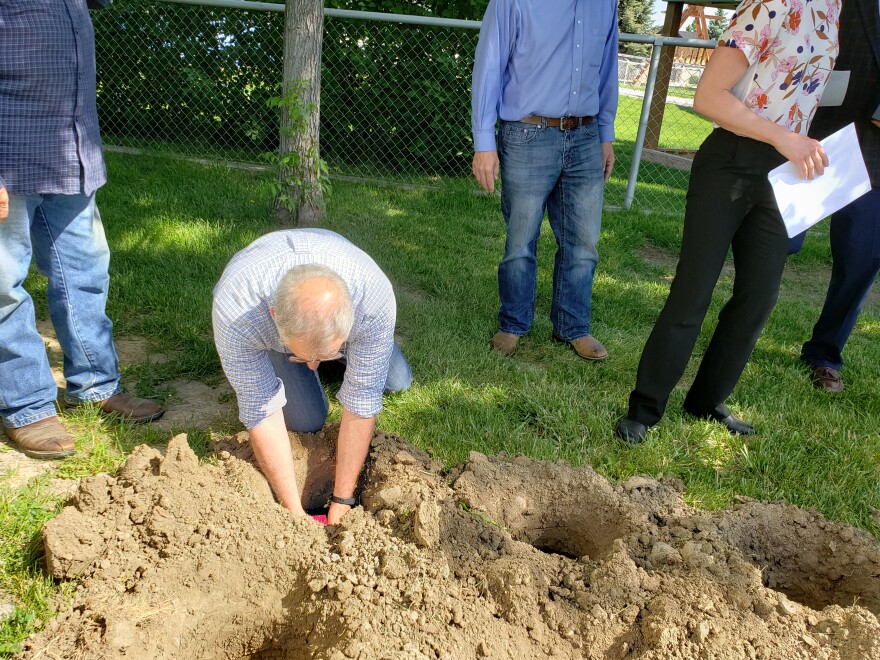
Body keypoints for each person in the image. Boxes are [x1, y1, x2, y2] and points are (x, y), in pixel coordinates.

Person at [615, 0, 841, 444]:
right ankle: (644, 409)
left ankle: (706, 402)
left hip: (787, 174)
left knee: (758, 299)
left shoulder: (835, 10)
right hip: (731, 161)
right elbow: (707, 96)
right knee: (693, 290)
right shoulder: (768, 5)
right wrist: (783, 137)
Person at [0, 0, 165, 461]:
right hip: (9, 155)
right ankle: (27, 405)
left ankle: (94, 384)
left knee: (85, 274)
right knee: (3, 288)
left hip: (69, 154)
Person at [212, 229, 412, 524]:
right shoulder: (238, 312)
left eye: (324, 355)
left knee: (397, 381)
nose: (311, 364)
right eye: (303, 356)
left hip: (348, 315)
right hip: (266, 318)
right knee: (307, 419)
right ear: (274, 314)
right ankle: (309, 354)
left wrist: (343, 500)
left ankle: (334, 353)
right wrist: (294, 512)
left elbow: (362, 403)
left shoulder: (373, 300)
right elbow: (261, 410)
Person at [471, 0, 619, 360]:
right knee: (521, 239)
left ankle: (573, 327)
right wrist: (483, 142)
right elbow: (489, 66)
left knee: (583, 243)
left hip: (585, 135)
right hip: (527, 133)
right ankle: (513, 323)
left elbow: (607, 69)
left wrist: (606, 133)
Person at [790, 0, 880, 393]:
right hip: (819, 138)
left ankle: (824, 356)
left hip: (877, 157)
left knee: (861, 261)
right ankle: (737, 330)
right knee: (775, 242)